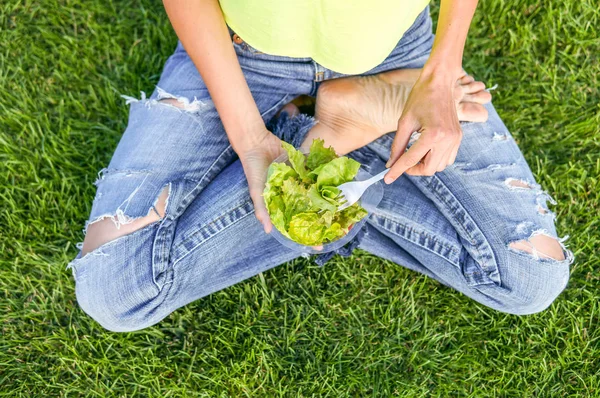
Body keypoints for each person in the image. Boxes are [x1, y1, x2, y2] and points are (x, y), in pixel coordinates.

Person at [68, 0, 572, 332]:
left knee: (532, 276)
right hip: (241, 55)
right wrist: (247, 137)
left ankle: (327, 145)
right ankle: (334, 147)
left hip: (398, 59)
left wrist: (439, 77)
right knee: (115, 291)